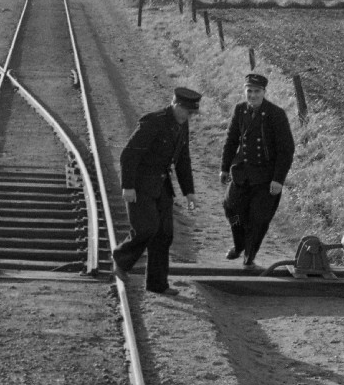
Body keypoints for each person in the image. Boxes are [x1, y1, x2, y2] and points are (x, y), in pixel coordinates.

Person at [112, 87, 201, 294]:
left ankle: (157, 284)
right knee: (146, 228)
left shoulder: (182, 124)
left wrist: (189, 191)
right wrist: (128, 186)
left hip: (162, 186)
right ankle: (121, 260)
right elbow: (128, 155)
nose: (191, 117)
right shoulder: (154, 122)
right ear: (176, 105)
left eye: (193, 114)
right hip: (140, 184)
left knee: (164, 234)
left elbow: (183, 159)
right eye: (188, 112)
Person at [219, 72, 295, 269]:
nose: (252, 95)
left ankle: (249, 256)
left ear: (264, 92)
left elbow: (286, 150)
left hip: (265, 177)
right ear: (245, 91)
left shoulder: (276, 114)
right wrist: (225, 168)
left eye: (257, 91)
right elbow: (231, 139)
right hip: (242, 172)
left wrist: (278, 179)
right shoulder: (240, 110)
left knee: (258, 219)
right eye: (249, 91)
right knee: (231, 210)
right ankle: (239, 245)